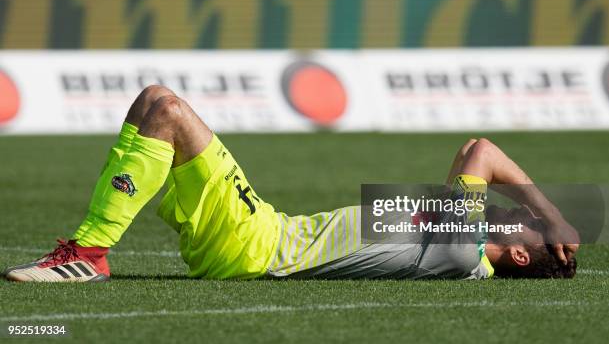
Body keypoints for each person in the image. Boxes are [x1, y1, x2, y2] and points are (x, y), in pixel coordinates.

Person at [2, 86, 579, 282]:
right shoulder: (457, 238)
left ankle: (86, 255)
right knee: (155, 103)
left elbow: (482, 152)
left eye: (524, 223)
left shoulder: (462, 250)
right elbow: (469, 152)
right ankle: (86, 250)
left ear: (522, 254)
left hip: (254, 247)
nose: (512, 208)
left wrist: (550, 213)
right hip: (259, 232)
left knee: (167, 110)